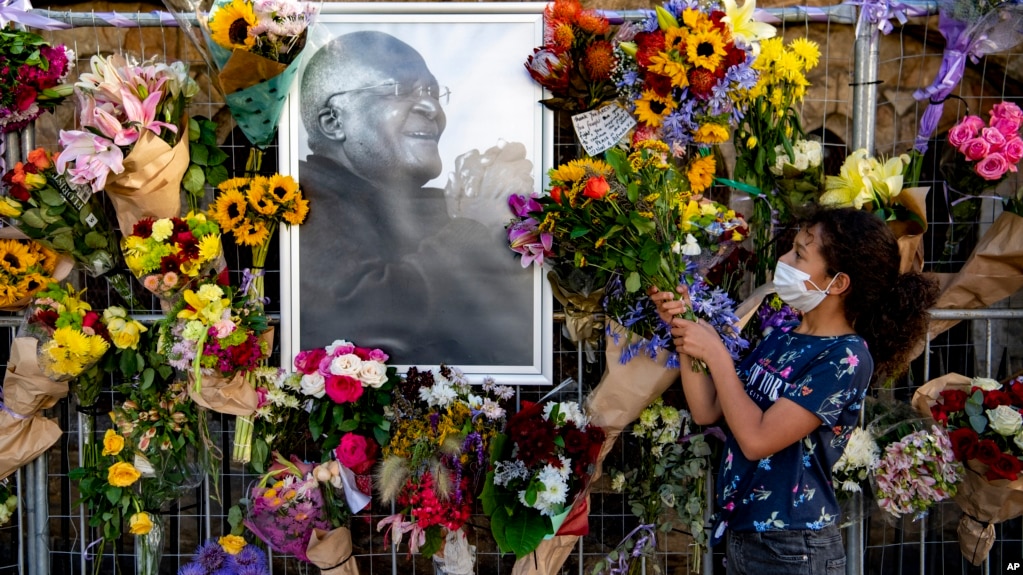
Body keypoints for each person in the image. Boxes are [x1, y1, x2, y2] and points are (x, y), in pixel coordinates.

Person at [651, 207, 938, 575]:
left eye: (799, 254)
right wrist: (685, 327)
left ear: (837, 283)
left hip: (793, 544)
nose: (783, 260)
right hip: (746, 533)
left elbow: (757, 439)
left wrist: (716, 353)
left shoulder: (846, 357)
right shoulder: (783, 335)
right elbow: (709, 409)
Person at [298, 31, 533, 365]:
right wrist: (473, 224)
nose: (431, 107)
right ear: (334, 121)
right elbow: (366, 318)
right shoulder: (301, 199)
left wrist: (497, 201)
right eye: (398, 90)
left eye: (434, 92)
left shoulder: (428, 205)